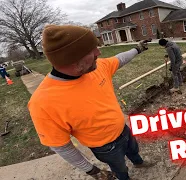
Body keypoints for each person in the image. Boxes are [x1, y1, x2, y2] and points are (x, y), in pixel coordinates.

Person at [27, 24, 154, 180]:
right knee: (119, 168)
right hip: (106, 147)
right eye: (91, 50)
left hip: (123, 129)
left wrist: (138, 49)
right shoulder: (43, 103)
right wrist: (92, 171)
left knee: (134, 150)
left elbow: (119, 59)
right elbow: (61, 146)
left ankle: (138, 162)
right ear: (73, 58)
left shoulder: (97, 67)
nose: (98, 53)